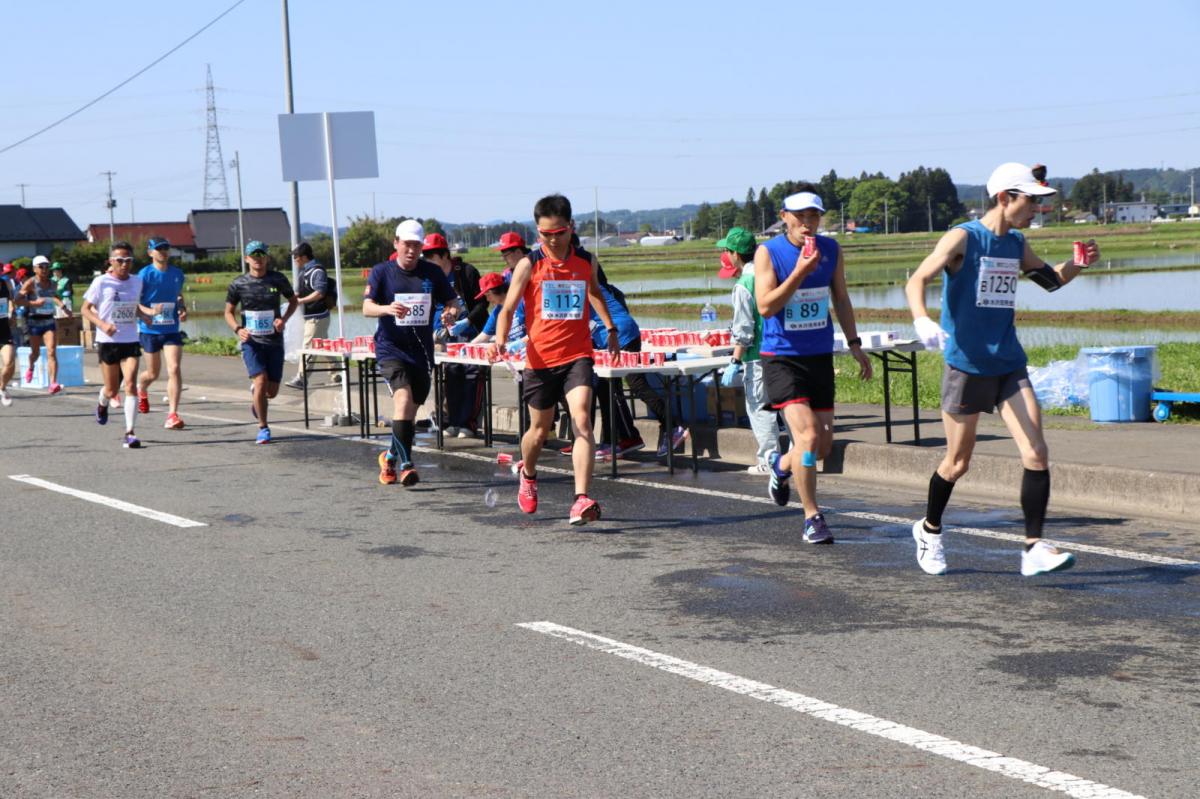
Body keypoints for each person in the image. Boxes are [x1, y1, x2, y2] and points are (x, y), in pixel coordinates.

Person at [905, 162, 1092, 577]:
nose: (1036, 209)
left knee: (1037, 452)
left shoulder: (1017, 243)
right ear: (1005, 197)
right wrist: (921, 319)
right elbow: (917, 279)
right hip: (967, 365)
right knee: (958, 462)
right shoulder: (964, 238)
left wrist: (1076, 265)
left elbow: (1049, 280)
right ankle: (929, 529)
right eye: (1031, 201)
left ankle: (1032, 548)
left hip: (1008, 362)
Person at [489, 193, 620, 526]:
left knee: (583, 422)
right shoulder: (529, 264)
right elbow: (506, 308)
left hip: (578, 354)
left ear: (570, 228)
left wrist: (609, 326)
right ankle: (529, 474)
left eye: (559, 233)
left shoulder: (585, 260)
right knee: (538, 430)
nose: (553, 239)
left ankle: (581, 499)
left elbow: (593, 292)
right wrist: (500, 339)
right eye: (545, 234)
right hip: (540, 359)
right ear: (538, 232)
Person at [755, 187, 873, 544]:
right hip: (781, 358)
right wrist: (800, 273)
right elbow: (766, 307)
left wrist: (855, 344)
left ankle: (780, 465)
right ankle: (812, 517)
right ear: (784, 217)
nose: (808, 224)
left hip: (818, 355)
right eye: (800, 217)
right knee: (805, 437)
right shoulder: (768, 253)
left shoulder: (832, 249)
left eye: (814, 217)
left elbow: (840, 297)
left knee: (820, 447)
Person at [364, 219, 462, 486]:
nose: (411, 251)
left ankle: (389, 457)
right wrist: (387, 309)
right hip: (390, 348)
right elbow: (367, 307)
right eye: (406, 245)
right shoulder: (382, 272)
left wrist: (451, 313)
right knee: (403, 400)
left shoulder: (432, 273)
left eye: (416, 246)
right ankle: (408, 465)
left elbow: (452, 301)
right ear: (396, 243)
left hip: (421, 352)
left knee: (409, 411)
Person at [717, 227, 781, 474]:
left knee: (760, 408)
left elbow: (744, 330)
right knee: (787, 405)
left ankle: (769, 459)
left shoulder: (744, 285)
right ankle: (799, 455)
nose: (725, 254)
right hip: (783, 352)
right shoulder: (773, 274)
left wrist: (735, 360)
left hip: (758, 357)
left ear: (735, 254)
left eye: (726, 250)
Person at [224, 240, 299, 445]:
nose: (258, 259)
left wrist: (282, 320)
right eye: (253, 255)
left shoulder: (277, 279)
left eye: (261, 255)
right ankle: (263, 428)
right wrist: (238, 329)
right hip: (251, 341)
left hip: (274, 341)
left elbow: (293, 301)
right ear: (247, 258)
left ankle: (257, 396)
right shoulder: (238, 283)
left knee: (271, 392)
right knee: (260, 380)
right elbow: (228, 312)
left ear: (267, 257)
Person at [81, 242, 148, 448]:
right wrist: (102, 324)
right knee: (111, 390)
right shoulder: (101, 282)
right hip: (108, 341)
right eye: (119, 260)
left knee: (130, 385)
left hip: (130, 339)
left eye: (128, 260)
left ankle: (130, 432)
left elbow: (133, 307)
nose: (124, 264)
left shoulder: (137, 282)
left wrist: (148, 316)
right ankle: (102, 404)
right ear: (111, 261)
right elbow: (85, 309)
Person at [424, 232, 487, 436]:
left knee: (471, 376)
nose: (428, 260)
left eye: (431, 255)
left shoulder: (466, 272)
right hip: (445, 336)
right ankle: (452, 421)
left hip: (471, 334)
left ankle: (468, 423)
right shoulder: (432, 278)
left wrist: (466, 321)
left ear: (444, 255)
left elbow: (482, 302)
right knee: (450, 376)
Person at [136, 237, 188, 430]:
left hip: (171, 329)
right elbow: (135, 302)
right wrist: (149, 312)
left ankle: (172, 414)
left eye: (166, 248)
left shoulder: (177, 273)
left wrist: (182, 307)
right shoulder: (144, 275)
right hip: (149, 329)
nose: (163, 252)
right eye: (158, 249)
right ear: (150, 253)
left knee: (174, 368)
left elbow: (178, 294)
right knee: (152, 373)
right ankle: (142, 389)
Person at [284, 242, 336, 388]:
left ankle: (302, 378)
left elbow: (320, 292)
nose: (294, 260)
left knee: (308, 346)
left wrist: (301, 301)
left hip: (317, 316)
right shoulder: (304, 271)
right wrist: (293, 298)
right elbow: (300, 291)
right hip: (312, 315)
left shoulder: (316, 271)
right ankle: (337, 372)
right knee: (324, 345)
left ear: (304, 257)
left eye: (296, 256)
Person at [20, 255, 70, 394]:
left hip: (49, 320)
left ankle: (53, 382)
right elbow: (18, 299)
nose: (44, 269)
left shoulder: (52, 283)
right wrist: (33, 303)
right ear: (35, 268)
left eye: (47, 266)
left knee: (51, 351)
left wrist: (64, 308)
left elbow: (54, 296)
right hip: (34, 321)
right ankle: (31, 367)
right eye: (41, 266)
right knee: (35, 353)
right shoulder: (30, 283)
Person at [0, 271, 21, 407]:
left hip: (3, 331)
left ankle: (2, 388)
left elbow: (11, 301)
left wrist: (12, 313)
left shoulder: (5, 283)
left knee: (9, 362)